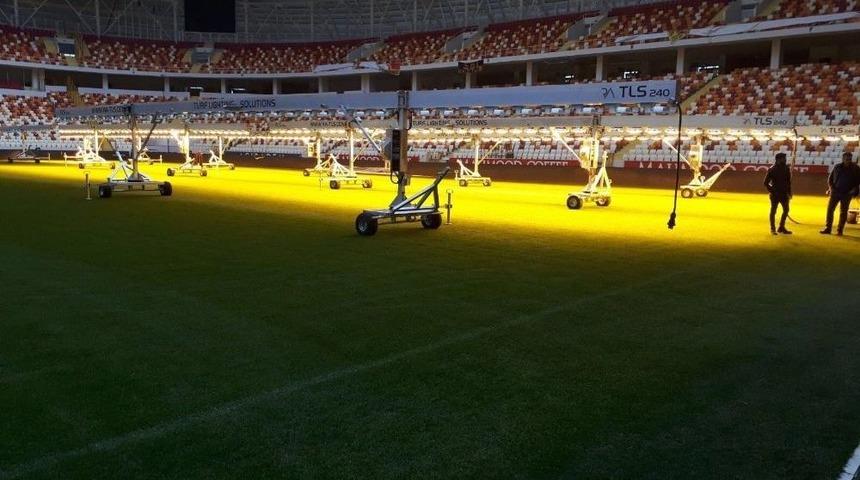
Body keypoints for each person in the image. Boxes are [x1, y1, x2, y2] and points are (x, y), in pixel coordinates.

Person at [821, 152, 860, 235]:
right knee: (830, 210)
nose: (848, 160)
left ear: (851, 159)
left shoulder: (856, 168)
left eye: (849, 159)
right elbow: (830, 179)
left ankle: (840, 230)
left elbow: (858, 182)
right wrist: (831, 188)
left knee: (843, 212)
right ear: (843, 158)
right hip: (835, 192)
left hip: (847, 193)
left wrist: (854, 190)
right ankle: (828, 228)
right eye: (846, 159)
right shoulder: (837, 167)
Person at [764, 152, 792, 235]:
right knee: (773, 211)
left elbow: (788, 182)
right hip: (775, 195)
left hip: (784, 194)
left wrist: (789, 192)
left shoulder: (786, 168)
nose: (785, 159)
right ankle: (773, 229)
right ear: (778, 159)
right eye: (784, 158)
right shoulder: (772, 169)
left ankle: (781, 227)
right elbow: (765, 182)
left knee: (786, 210)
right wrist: (772, 191)